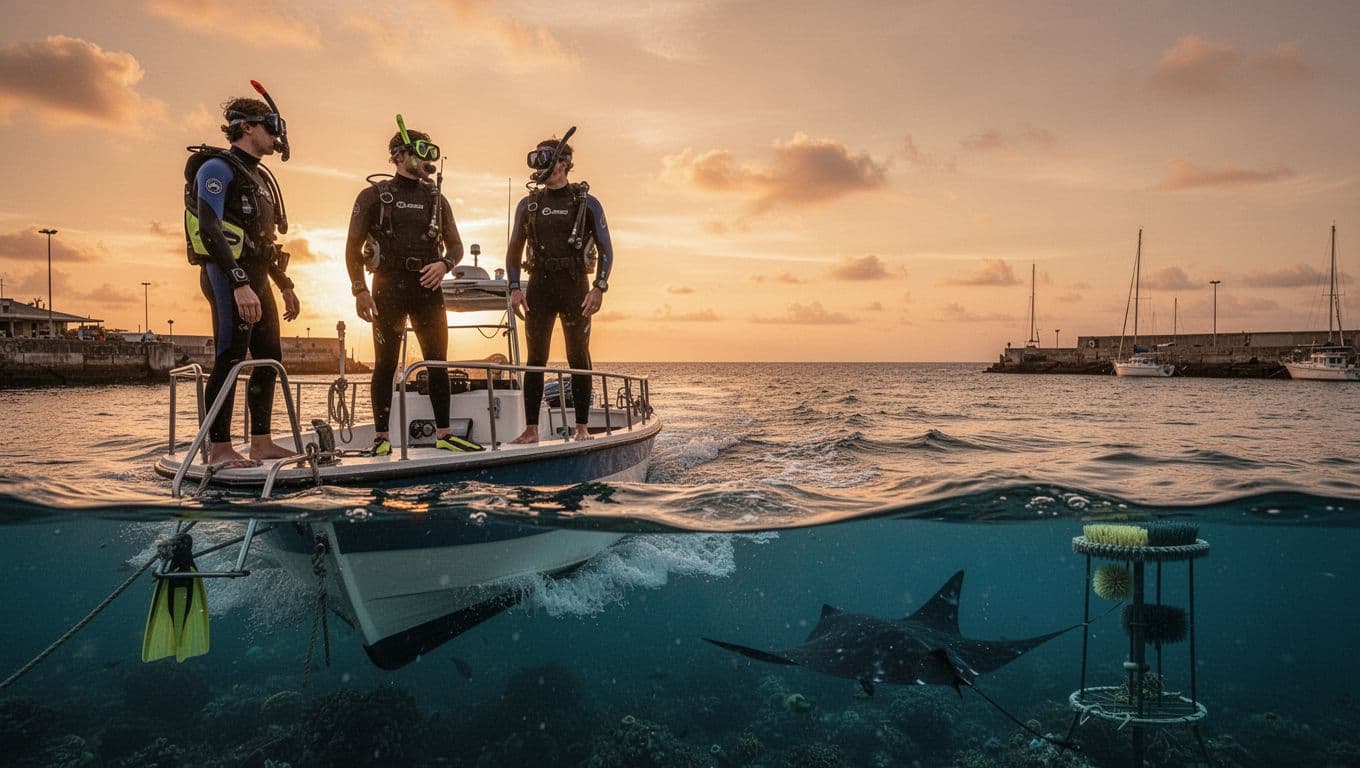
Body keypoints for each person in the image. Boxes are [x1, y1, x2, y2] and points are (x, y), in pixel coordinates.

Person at [345, 120, 480, 456]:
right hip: (388, 287)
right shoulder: (374, 196)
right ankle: (381, 438)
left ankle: (445, 434)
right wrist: (359, 289)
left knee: (438, 361)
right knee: (386, 364)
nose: (425, 160)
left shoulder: (436, 199)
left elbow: (457, 247)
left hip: (427, 288)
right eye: (419, 152)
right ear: (398, 155)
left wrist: (445, 265)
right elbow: (352, 247)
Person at [184, 92, 300, 468]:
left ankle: (261, 443)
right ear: (246, 127)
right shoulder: (216, 168)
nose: (275, 137)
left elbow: (262, 244)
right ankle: (219, 450)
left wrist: (284, 284)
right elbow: (210, 228)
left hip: (257, 277)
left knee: (269, 358)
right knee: (230, 358)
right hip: (226, 274)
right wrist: (238, 282)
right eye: (270, 128)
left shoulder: (260, 176)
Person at [506, 136, 614, 443]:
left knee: (577, 355)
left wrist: (599, 288)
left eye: (550, 160)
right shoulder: (528, 205)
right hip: (539, 284)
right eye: (539, 160)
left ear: (564, 163)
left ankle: (582, 428)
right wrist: (515, 288)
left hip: (575, 285)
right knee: (535, 358)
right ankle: (531, 429)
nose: (544, 167)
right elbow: (514, 250)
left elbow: (607, 249)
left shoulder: (586, 203)